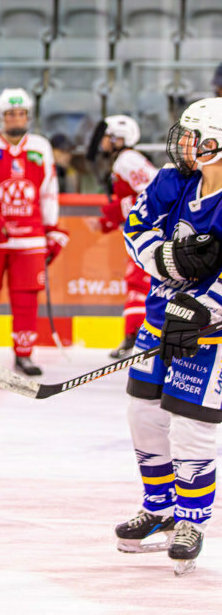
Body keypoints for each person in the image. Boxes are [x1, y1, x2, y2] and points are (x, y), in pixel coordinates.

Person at [119, 97, 222, 575]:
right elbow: (135, 225)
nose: (181, 144)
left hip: (208, 334)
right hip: (160, 317)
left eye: (192, 136)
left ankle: (191, 520)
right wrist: (164, 259)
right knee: (143, 413)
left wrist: (203, 308)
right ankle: (158, 506)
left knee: (191, 426)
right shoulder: (172, 180)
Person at [0, 88, 68, 377]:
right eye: (10, 114)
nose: (16, 119)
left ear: (28, 116)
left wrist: (51, 228)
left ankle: (24, 355)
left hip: (29, 237)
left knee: (26, 297)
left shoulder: (40, 146)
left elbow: (48, 192)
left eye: (20, 114)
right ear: (0, 117)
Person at [91, 115, 157, 359]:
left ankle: (137, 336)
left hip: (150, 232)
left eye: (107, 137)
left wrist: (108, 216)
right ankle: (137, 336)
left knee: (138, 283)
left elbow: (151, 195)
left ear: (120, 138)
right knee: (139, 282)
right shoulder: (125, 160)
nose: (103, 142)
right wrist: (107, 221)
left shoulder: (127, 160)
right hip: (145, 231)